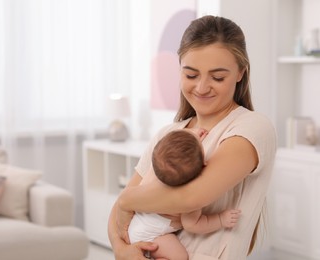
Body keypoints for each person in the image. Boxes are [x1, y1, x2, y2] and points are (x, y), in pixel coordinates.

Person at [108, 15, 277, 260]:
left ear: (241, 73)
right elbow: (116, 218)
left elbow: (191, 198)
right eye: (191, 75)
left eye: (218, 77)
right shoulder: (168, 135)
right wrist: (121, 249)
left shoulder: (251, 128)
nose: (201, 87)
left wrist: (127, 199)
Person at [128, 128, 241, 260]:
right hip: (152, 236)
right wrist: (221, 220)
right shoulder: (188, 198)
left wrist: (191, 135)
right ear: (204, 165)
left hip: (134, 225)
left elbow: (174, 149)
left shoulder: (154, 172)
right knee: (179, 257)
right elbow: (193, 224)